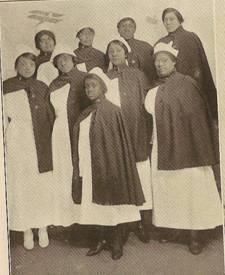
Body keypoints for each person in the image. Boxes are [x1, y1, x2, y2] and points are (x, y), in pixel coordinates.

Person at [144, 41, 222, 255]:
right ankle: (176, 228)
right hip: (163, 144)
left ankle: (196, 234)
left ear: (174, 62)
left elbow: (196, 117)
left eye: (164, 60)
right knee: (168, 187)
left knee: (191, 186)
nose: (160, 65)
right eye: (157, 62)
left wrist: (193, 145)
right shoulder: (154, 88)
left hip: (189, 147)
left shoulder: (187, 83)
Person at [72, 69, 145, 260]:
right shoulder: (86, 112)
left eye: (93, 85)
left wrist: (110, 166)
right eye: (86, 86)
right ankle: (101, 239)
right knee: (94, 205)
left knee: (110, 204)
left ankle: (116, 241)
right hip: (90, 165)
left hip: (108, 167)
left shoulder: (112, 110)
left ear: (103, 88)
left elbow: (117, 145)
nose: (89, 89)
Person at [3, 50, 55, 250]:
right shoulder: (7, 86)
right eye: (23, 64)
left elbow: (49, 114)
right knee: (22, 183)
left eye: (31, 65)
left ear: (35, 68)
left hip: (40, 139)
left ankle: (42, 227)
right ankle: (25, 229)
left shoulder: (41, 86)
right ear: (16, 65)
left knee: (40, 183)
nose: (26, 68)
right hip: (18, 139)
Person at [106, 39, 153, 242]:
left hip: (136, 131)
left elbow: (146, 106)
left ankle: (143, 222)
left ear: (126, 53)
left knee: (141, 174)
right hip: (115, 133)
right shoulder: (106, 77)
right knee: (120, 176)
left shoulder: (138, 75)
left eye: (118, 50)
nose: (114, 54)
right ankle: (124, 224)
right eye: (111, 51)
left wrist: (147, 133)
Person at [48, 46, 88, 227]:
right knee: (63, 170)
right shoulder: (54, 83)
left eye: (66, 58)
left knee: (80, 169)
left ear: (74, 60)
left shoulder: (83, 79)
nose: (63, 62)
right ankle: (66, 219)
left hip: (79, 130)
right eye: (59, 60)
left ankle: (83, 219)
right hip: (59, 132)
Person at [156, 8, 217, 120]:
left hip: (191, 89)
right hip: (170, 92)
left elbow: (201, 66)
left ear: (179, 20)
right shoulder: (161, 42)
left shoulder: (191, 37)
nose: (168, 22)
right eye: (165, 20)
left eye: (171, 19)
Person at [117, 17, 156, 86]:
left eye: (130, 26)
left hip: (141, 86)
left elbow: (152, 73)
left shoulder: (145, 47)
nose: (127, 29)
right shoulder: (113, 48)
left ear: (134, 29)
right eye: (123, 26)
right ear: (118, 30)